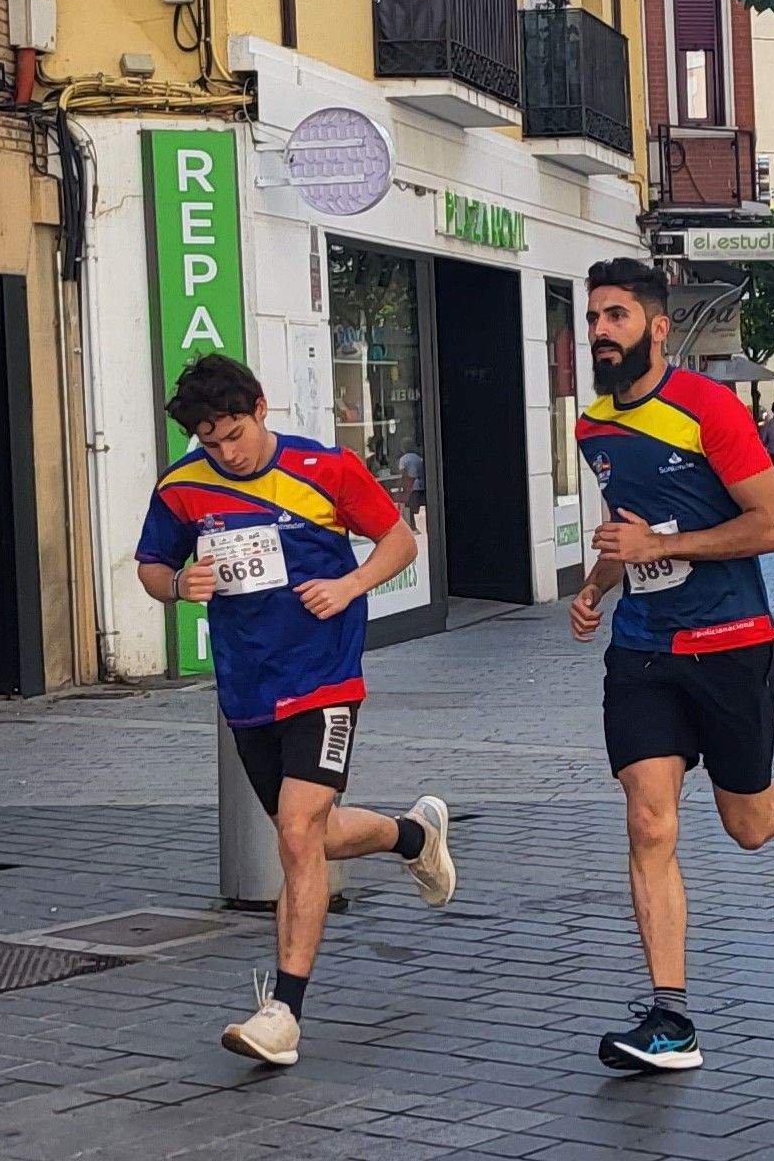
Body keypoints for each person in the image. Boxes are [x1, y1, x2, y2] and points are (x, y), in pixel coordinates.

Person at [568, 258, 774, 1074]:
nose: (600, 330)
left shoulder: (708, 412)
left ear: (657, 328)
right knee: (648, 819)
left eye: (616, 316)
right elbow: (624, 529)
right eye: (593, 316)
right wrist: (598, 585)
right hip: (642, 652)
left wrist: (661, 548)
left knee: (744, 825)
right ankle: (670, 1019)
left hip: (730, 646)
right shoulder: (591, 426)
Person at [135, 354, 455, 1068]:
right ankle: (411, 838)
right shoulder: (183, 486)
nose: (225, 451)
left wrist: (346, 586)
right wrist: (176, 584)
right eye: (210, 441)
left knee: (296, 832)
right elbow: (152, 564)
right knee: (305, 832)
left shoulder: (325, 468)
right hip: (245, 687)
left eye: (234, 433)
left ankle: (282, 1010)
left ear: (261, 406)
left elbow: (399, 541)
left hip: (323, 677)